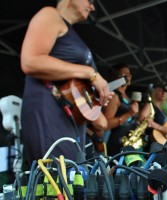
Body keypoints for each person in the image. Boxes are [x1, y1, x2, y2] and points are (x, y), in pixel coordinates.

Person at [20, 0, 114, 167]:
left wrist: (97, 101)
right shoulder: (50, 14)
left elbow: (99, 121)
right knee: (55, 182)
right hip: (49, 111)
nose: (92, 7)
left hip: (71, 121)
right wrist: (91, 73)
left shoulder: (72, 33)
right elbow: (30, 61)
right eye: (90, 1)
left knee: (72, 182)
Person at [102, 64, 139, 156]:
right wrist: (128, 114)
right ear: (117, 76)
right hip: (116, 145)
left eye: (130, 74)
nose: (130, 76)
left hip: (128, 143)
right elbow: (106, 124)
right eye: (126, 73)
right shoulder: (114, 96)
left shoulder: (127, 96)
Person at [139, 81, 167, 151]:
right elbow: (141, 119)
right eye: (160, 90)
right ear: (155, 91)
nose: (163, 93)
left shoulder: (162, 110)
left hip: (160, 144)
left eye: (165, 92)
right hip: (150, 144)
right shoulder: (150, 105)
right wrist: (161, 128)